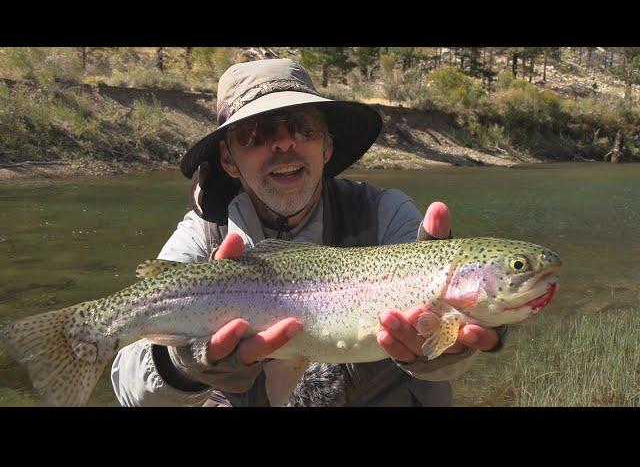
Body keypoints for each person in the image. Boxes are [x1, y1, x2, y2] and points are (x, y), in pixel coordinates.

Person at [111, 58, 505, 407]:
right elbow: (130, 387)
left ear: (327, 147)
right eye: (256, 132)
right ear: (229, 160)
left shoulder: (386, 213)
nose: (284, 142)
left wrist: (447, 345)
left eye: (303, 127)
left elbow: (445, 365)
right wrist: (186, 362)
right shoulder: (203, 237)